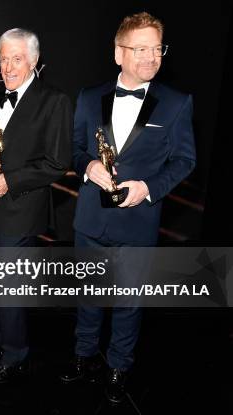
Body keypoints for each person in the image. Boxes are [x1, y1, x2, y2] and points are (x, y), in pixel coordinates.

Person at [60, 12, 196, 404]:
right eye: (141, 49)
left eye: (157, 49)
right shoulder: (88, 97)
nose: (151, 58)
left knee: (128, 301)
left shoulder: (176, 103)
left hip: (138, 221)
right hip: (89, 219)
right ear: (118, 53)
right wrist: (88, 166)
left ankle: (119, 366)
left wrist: (150, 188)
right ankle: (84, 357)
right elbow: (76, 149)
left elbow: (185, 160)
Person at [0, 28, 73, 384]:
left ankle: (15, 354)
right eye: (3, 59)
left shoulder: (54, 100)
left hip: (22, 209)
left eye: (17, 58)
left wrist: (9, 180)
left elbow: (57, 163)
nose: (8, 67)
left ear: (34, 61)